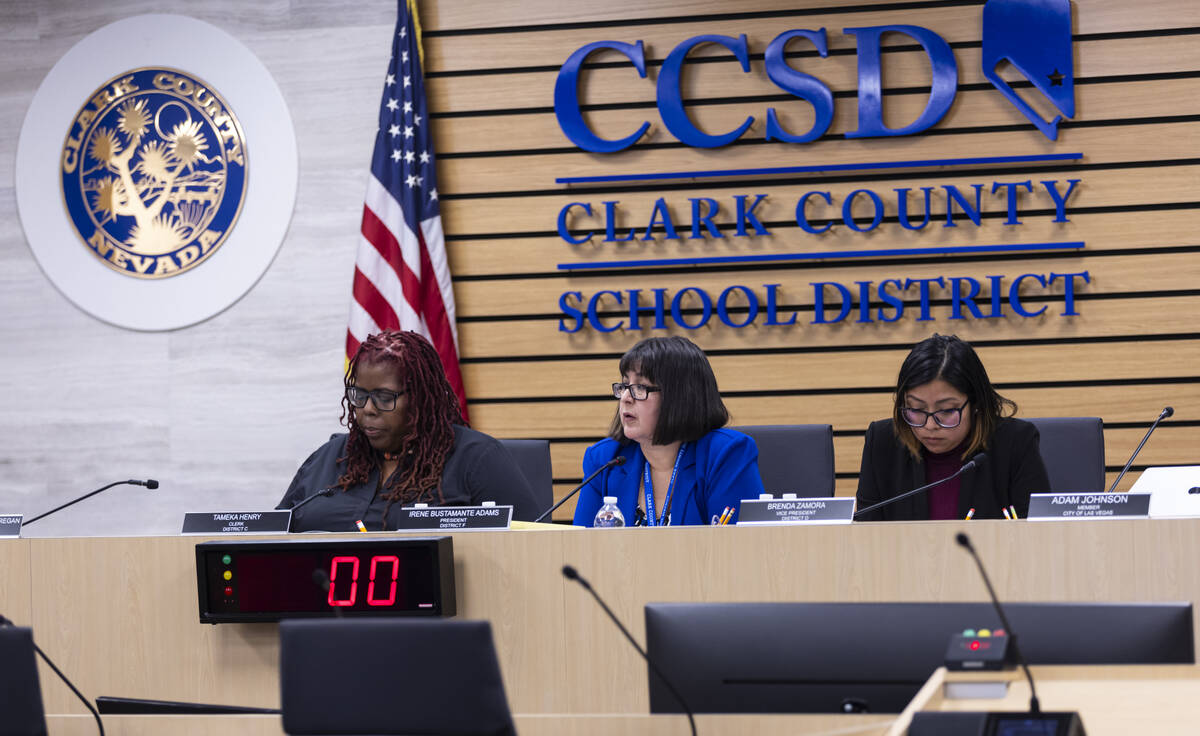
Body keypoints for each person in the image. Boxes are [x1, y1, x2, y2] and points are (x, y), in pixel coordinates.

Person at [278, 330, 538, 531]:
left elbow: (532, 549)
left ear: (421, 399)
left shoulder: (477, 459)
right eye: (359, 395)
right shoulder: (328, 457)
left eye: (384, 396)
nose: (367, 409)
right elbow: (270, 535)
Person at [572, 336, 764, 527]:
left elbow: (740, 549)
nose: (625, 398)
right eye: (624, 386)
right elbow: (581, 548)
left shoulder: (724, 454)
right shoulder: (605, 459)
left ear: (680, 396)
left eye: (640, 387)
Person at [855, 334, 1050, 521]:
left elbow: (1038, 533)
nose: (930, 425)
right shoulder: (882, 442)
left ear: (976, 404)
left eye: (946, 411)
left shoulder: (1015, 442)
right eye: (916, 409)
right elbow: (866, 532)